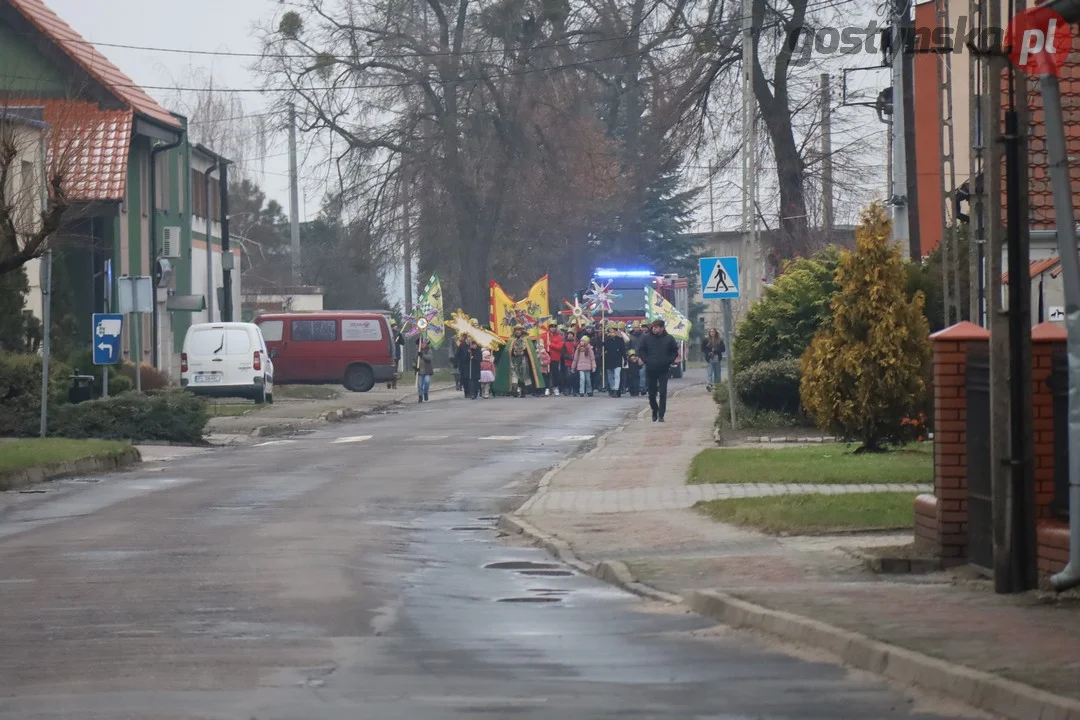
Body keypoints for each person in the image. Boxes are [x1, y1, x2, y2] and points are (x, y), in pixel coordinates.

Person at [639, 318, 679, 422]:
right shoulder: (646, 338)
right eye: (653, 327)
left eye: (656, 327)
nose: (654, 329)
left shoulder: (669, 338)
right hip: (650, 369)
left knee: (662, 392)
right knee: (651, 393)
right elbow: (641, 350)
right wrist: (646, 360)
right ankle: (654, 409)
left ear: (661, 328)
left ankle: (661, 414)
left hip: (663, 369)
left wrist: (668, 361)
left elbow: (674, 351)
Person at [603, 325, 626, 397]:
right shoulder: (606, 340)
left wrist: (625, 359)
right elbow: (603, 349)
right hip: (609, 359)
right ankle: (612, 388)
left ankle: (616, 389)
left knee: (617, 375)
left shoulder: (620, 340)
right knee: (610, 376)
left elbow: (623, 350)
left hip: (617, 359)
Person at [547, 323, 563, 396]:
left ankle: (555, 387)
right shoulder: (546, 336)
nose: (553, 328)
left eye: (554, 327)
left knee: (555, 373)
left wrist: (551, 344)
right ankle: (548, 388)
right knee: (547, 373)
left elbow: (559, 347)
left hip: (555, 358)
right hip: (546, 357)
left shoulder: (559, 337)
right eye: (551, 327)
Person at [562, 329, 578, 396]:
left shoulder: (576, 343)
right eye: (569, 334)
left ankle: (575, 389)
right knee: (568, 376)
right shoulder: (565, 343)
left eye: (571, 334)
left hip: (575, 363)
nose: (570, 335)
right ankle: (567, 389)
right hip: (568, 362)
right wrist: (569, 357)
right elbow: (564, 353)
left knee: (574, 376)